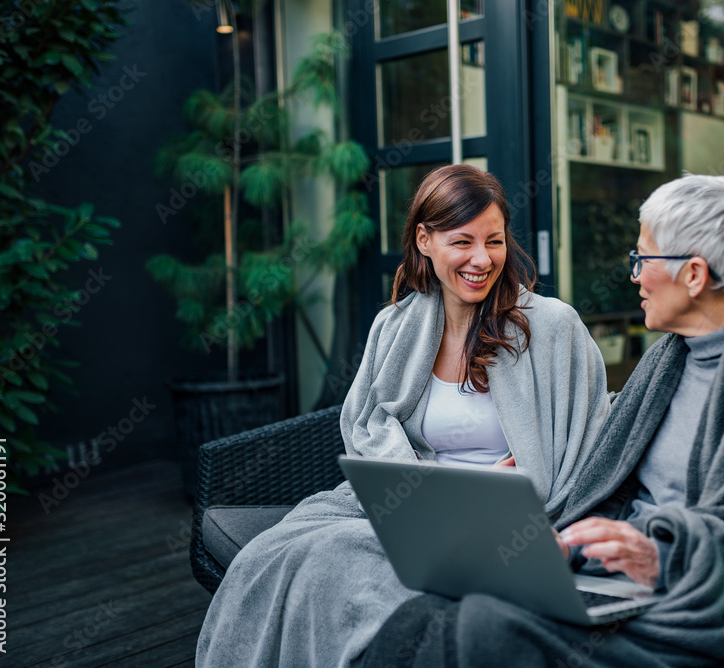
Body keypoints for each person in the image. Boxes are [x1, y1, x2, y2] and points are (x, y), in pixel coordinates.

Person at [360, 174, 724, 668]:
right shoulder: (666, 362)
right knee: (420, 619)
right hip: (609, 580)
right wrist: (565, 539)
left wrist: (666, 555)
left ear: (694, 274)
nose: (635, 274)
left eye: (644, 257)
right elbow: (606, 481)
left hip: (684, 606)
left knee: (483, 625)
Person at [195, 164, 611, 667]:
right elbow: (367, 423)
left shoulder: (552, 329)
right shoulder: (395, 327)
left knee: (341, 566)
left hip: (510, 522)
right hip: (412, 507)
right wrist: (425, 480)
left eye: (494, 241)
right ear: (424, 240)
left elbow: (589, 443)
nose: (482, 259)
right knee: (280, 557)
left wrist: (520, 483)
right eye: (463, 242)